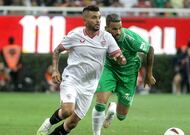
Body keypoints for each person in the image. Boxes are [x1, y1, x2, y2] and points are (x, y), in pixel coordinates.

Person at [36, 5, 126, 135]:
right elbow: (57, 50)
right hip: (71, 79)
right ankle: (49, 123)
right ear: (85, 19)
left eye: (99, 17)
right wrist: (55, 70)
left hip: (90, 86)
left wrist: (121, 59)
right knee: (67, 111)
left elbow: (118, 55)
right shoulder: (75, 35)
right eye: (94, 17)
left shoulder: (106, 37)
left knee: (72, 123)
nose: (98, 20)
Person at [92, 13, 156, 135]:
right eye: (114, 29)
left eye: (120, 28)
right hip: (110, 69)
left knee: (122, 116)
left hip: (129, 74)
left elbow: (150, 49)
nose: (118, 32)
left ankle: (113, 108)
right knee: (100, 104)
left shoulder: (129, 38)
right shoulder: (101, 37)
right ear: (107, 29)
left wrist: (149, 74)